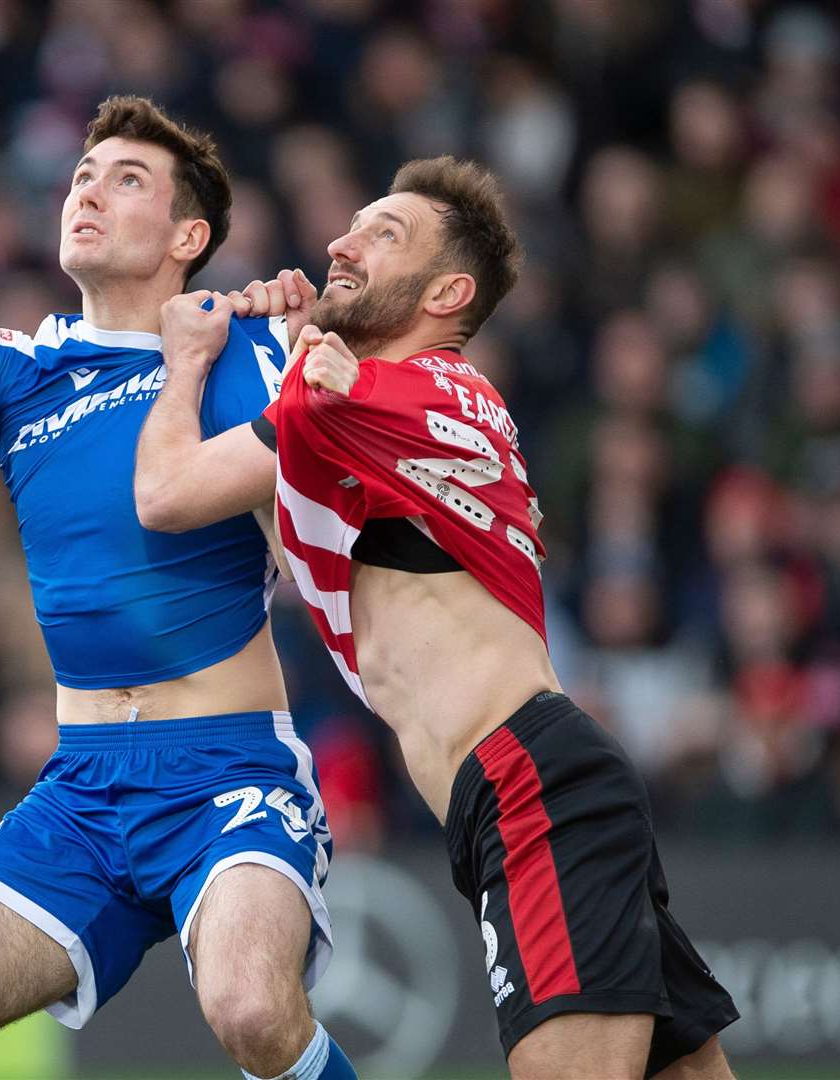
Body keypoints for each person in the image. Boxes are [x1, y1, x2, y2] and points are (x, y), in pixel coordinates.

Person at [0, 95, 356, 1080]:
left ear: (189, 235)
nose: (87, 190)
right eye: (83, 176)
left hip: (229, 775)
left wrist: (307, 377)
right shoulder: (21, 367)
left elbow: (312, 569)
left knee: (251, 1007)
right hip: (81, 791)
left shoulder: (254, 354)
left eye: (125, 179)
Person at [134, 156, 740, 1080]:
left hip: (529, 784)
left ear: (448, 292)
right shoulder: (382, 417)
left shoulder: (412, 389)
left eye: (383, 234)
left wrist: (188, 364)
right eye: (352, 223)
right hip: (525, 786)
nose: (341, 240)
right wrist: (301, 368)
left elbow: (166, 494)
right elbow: (297, 532)